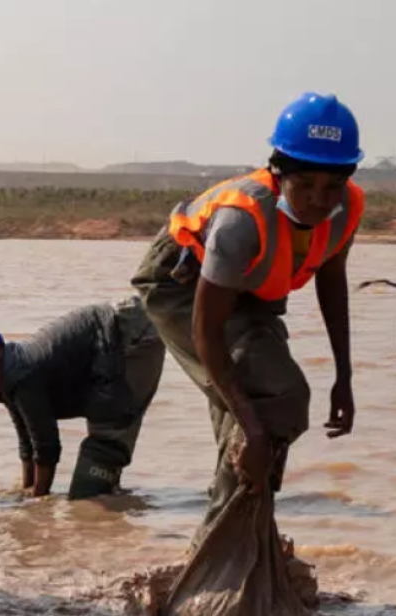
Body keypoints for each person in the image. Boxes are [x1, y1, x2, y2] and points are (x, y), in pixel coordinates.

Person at [131, 92, 364, 529]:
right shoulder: (242, 219)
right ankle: (222, 540)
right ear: (278, 173)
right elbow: (206, 331)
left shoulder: (345, 209)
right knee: (274, 398)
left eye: (332, 186)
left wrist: (345, 377)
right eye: (305, 185)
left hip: (250, 293)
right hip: (181, 288)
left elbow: (332, 282)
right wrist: (254, 431)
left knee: (259, 402)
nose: (318, 200)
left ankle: (249, 528)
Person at [0, 297, 165, 499]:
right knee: (97, 486)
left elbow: (47, 446)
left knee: (91, 488)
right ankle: (114, 494)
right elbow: (26, 440)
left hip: (130, 333)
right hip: (116, 338)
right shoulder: (9, 380)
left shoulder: (22, 374)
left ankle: (106, 490)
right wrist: (26, 489)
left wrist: (38, 502)